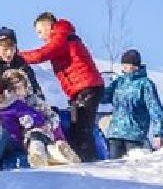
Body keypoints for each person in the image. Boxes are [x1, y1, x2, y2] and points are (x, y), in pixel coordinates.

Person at [20, 12, 104, 162]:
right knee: (78, 126)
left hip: (86, 86)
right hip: (81, 88)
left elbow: (43, 54)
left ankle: (89, 160)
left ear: (48, 26)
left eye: (40, 31)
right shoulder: (64, 35)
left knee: (82, 128)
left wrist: (19, 56)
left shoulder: (61, 36)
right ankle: (83, 157)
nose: (40, 37)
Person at [0, 72, 52, 169]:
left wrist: (29, 119)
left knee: (1, 133)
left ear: (0, 87)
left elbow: (38, 117)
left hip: (11, 143)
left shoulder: (12, 103)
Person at [2, 68, 80, 165]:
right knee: (40, 144)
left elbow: (52, 116)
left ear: (26, 88)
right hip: (23, 138)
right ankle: (57, 155)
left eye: (19, 88)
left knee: (36, 139)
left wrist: (48, 125)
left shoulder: (34, 101)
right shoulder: (6, 105)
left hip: (43, 131)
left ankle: (54, 153)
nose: (17, 92)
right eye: (12, 89)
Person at [101, 49, 163, 159]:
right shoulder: (118, 82)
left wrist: (158, 133)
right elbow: (104, 97)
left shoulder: (145, 84)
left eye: (131, 65)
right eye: (125, 65)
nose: (128, 68)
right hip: (115, 133)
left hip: (135, 134)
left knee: (130, 168)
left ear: (137, 66)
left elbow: (155, 109)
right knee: (112, 168)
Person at [0, 27, 44, 99]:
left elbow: (35, 87)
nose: (9, 53)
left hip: (21, 104)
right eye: (5, 49)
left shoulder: (21, 64)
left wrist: (40, 101)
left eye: (12, 49)